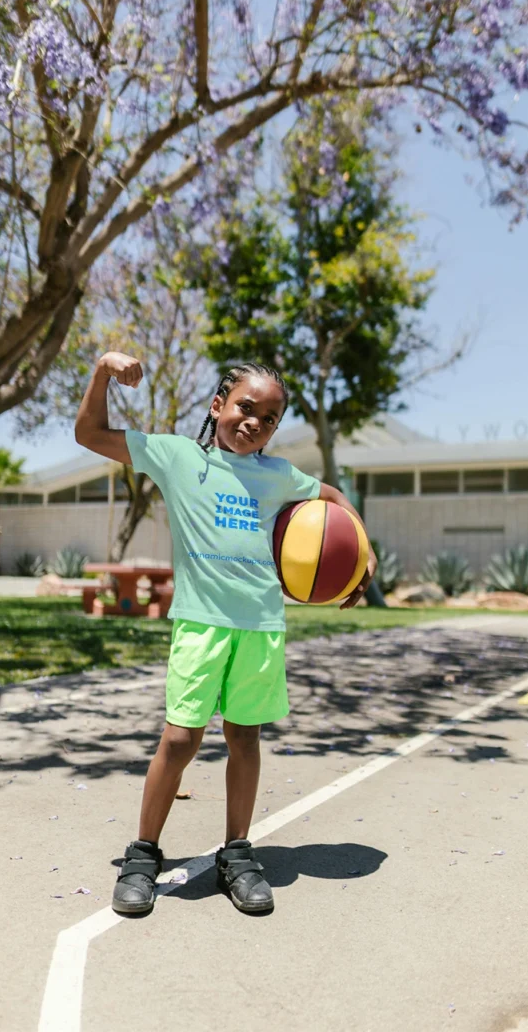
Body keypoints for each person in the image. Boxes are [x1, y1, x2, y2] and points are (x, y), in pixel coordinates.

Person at [74, 351, 377, 915]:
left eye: (269, 417)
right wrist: (101, 372)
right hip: (200, 624)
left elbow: (333, 499)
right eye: (245, 407)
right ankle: (144, 854)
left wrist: (362, 554)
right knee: (180, 740)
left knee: (244, 738)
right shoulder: (177, 456)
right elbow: (89, 432)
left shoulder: (279, 476)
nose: (255, 422)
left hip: (260, 627)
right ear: (218, 405)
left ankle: (236, 853)